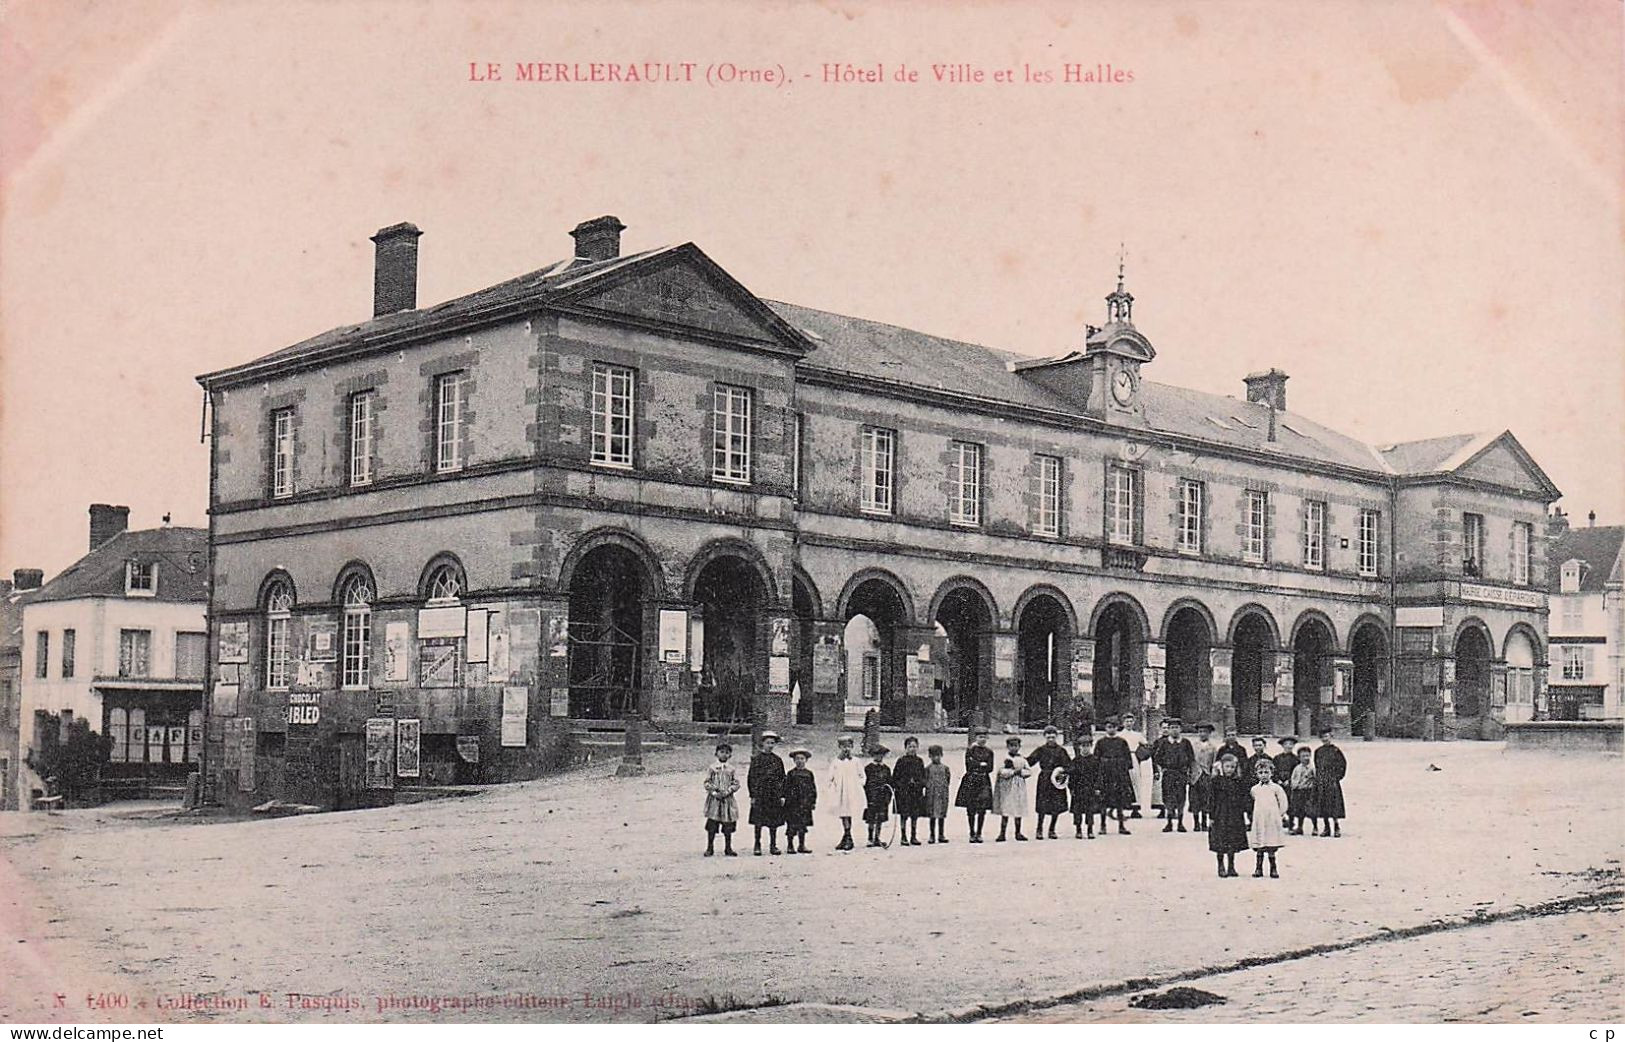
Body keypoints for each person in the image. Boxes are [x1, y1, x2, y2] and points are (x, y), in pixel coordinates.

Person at [1207, 753, 1250, 877]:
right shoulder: (1216, 781)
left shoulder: (1238, 781)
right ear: (1222, 767)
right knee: (1220, 840)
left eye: (1232, 767)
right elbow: (1212, 799)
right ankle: (1221, 865)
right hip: (1220, 814)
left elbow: (1243, 798)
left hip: (1234, 815)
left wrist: (1245, 812)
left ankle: (1231, 866)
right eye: (1227, 767)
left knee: (1232, 840)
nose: (1229, 769)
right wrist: (1211, 816)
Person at [1027, 725, 1072, 840]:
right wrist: (1017, 760)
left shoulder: (1061, 750)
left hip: (1056, 780)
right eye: (1048, 737)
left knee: (1056, 805)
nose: (1051, 739)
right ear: (1045, 737)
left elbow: (1068, 765)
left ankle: (1052, 829)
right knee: (1042, 805)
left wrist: (1062, 774)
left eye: (1053, 737)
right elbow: (1030, 761)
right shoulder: (1041, 750)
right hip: (1044, 779)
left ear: (1056, 736)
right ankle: (1039, 829)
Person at [1150, 718, 1195, 833]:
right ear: (1168, 730)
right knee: (1168, 797)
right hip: (1169, 774)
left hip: (1181, 773)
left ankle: (1180, 823)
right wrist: (1164, 766)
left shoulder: (1185, 743)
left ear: (1180, 729)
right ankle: (1169, 822)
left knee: (1181, 797)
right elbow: (1157, 757)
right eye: (1172, 728)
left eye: (1176, 728)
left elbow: (1191, 758)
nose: (1174, 730)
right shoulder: (1164, 743)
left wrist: (1189, 771)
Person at [1248, 759, 1290, 878]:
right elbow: (1253, 802)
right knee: (1260, 844)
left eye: (1266, 772)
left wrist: (1279, 814)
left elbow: (1283, 802)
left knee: (1271, 844)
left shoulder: (1276, 788)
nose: (1264, 775)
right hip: (1260, 819)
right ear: (1256, 774)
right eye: (1260, 772)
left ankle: (1273, 868)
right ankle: (1258, 868)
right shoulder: (1254, 789)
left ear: (1271, 773)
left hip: (1272, 819)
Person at [747, 730, 786, 856]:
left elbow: (782, 778)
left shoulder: (777, 760)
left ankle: (773, 845)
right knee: (758, 821)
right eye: (768, 743)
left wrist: (782, 795)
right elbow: (751, 778)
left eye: (772, 743)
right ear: (762, 744)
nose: (770, 745)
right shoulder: (756, 759)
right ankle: (757, 844)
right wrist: (752, 795)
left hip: (773, 794)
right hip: (760, 794)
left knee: (773, 821)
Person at [1093, 718, 1135, 835]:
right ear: (1106, 728)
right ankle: (1102, 826)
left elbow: (1128, 760)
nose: (1111, 729)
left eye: (1114, 727)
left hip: (1118, 775)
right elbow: (1096, 759)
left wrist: (1121, 767)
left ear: (1117, 728)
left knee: (1120, 801)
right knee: (1103, 801)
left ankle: (1121, 826)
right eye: (1109, 727)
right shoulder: (1100, 742)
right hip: (1105, 775)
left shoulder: (1122, 742)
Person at [826, 735, 867, 851]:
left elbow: (862, 776)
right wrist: (833, 789)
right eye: (844, 746)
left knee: (849, 812)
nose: (846, 749)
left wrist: (858, 784)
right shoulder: (835, 762)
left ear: (852, 747)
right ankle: (847, 836)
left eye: (849, 746)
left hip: (852, 792)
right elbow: (830, 778)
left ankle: (847, 837)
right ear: (839, 747)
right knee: (843, 813)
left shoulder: (856, 761)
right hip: (840, 792)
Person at [955, 729, 995, 843]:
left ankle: (979, 832)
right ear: (976, 738)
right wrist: (980, 764)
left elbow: (990, 768)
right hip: (971, 779)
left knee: (982, 807)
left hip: (983, 780)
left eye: (984, 737)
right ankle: (972, 832)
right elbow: (968, 765)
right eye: (980, 737)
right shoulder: (970, 750)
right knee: (971, 807)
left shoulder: (989, 752)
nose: (982, 739)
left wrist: (978, 764)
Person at [703, 742, 740, 857]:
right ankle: (710, 847)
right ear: (716, 754)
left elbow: (736, 783)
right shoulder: (712, 768)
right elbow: (707, 782)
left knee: (728, 824)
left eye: (727, 753)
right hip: (715, 801)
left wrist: (728, 791)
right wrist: (714, 792)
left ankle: (728, 848)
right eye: (722, 752)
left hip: (727, 800)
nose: (724, 755)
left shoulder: (731, 769)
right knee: (712, 824)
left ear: (730, 755)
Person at [992, 735, 1032, 842]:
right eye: (1012, 746)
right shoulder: (1005, 758)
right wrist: (1012, 772)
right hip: (1007, 787)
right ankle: (1002, 833)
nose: (1014, 748)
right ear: (1008, 747)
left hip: (1019, 787)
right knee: (1006, 809)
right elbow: (1001, 771)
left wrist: (1022, 773)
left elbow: (1029, 771)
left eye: (1016, 746)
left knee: (1018, 809)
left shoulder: (1022, 759)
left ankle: (1018, 832)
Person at [891, 736, 929, 847]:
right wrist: (902, 784)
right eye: (910, 746)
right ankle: (903, 836)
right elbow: (895, 777)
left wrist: (919, 783)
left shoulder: (919, 761)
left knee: (915, 814)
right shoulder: (901, 761)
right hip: (904, 792)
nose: (912, 749)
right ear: (905, 748)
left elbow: (923, 776)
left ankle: (913, 835)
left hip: (915, 792)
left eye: (914, 747)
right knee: (904, 814)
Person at [1069, 726, 1103, 839]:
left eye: (1087, 746)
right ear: (1079, 747)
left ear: (1091, 747)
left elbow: (1099, 775)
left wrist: (1098, 787)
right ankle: (1078, 830)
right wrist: (1071, 788)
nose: (1085, 749)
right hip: (1078, 790)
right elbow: (1072, 776)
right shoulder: (1075, 761)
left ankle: (1090, 830)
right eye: (1083, 746)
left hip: (1090, 789)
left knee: (1090, 811)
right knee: (1077, 811)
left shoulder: (1095, 760)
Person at [1312, 728, 1347, 837]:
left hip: (1332, 781)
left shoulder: (1336, 751)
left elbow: (1343, 765)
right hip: (1322, 781)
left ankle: (1336, 826)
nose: (1325, 739)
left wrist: (1337, 777)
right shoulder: (1318, 751)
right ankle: (1326, 827)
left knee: (1334, 804)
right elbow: (1317, 765)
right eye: (1323, 737)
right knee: (1323, 804)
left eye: (1327, 737)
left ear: (1331, 737)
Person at [782, 748, 817, 854]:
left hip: (805, 803)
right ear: (794, 761)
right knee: (791, 825)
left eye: (802, 758)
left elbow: (813, 788)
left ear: (806, 760)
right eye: (797, 759)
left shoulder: (809, 774)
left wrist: (813, 801)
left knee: (803, 825)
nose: (800, 761)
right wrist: (785, 798)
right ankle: (790, 845)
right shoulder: (791, 773)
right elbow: (786, 788)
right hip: (793, 804)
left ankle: (801, 845)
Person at [1120, 713, 1152, 818]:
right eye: (1127, 721)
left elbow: (1146, 744)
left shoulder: (1137, 735)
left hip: (1134, 759)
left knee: (1136, 782)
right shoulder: (1119, 735)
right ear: (1123, 723)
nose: (1129, 723)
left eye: (1131, 721)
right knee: (1123, 783)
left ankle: (1136, 808)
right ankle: (1122, 807)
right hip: (1123, 759)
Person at [862, 744, 894, 847]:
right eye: (876, 755)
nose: (879, 757)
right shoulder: (868, 768)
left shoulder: (886, 769)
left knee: (880, 817)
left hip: (882, 796)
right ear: (872, 755)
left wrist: (888, 797)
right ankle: (870, 837)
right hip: (872, 796)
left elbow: (890, 783)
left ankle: (877, 837)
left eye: (881, 755)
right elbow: (865, 784)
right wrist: (868, 796)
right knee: (871, 818)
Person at [1189, 722, 1218, 832]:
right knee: (1195, 800)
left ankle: (1204, 822)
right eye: (1200, 732)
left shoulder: (1213, 747)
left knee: (1206, 799)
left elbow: (1214, 762)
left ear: (1209, 733)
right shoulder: (1193, 745)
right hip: (1195, 775)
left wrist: (1212, 774)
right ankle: (1196, 823)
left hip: (1206, 775)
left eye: (1205, 732)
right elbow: (1190, 760)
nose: (1202, 734)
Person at [1288, 743, 1318, 836]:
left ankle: (1315, 827)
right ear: (1299, 757)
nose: (1306, 758)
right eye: (1303, 756)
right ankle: (1300, 827)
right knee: (1299, 809)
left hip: (1309, 790)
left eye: (1307, 756)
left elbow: (1316, 778)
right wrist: (1294, 786)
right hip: (1299, 790)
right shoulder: (1297, 768)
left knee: (1311, 810)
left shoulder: (1313, 768)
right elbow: (1293, 778)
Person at [925, 744, 953, 843]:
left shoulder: (945, 768)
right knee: (932, 815)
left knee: (941, 814)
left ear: (941, 755)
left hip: (942, 794)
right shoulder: (928, 768)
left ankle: (941, 834)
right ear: (930, 756)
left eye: (938, 755)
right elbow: (925, 780)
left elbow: (948, 780)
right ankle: (932, 835)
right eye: (933, 756)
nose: (936, 758)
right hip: (931, 794)